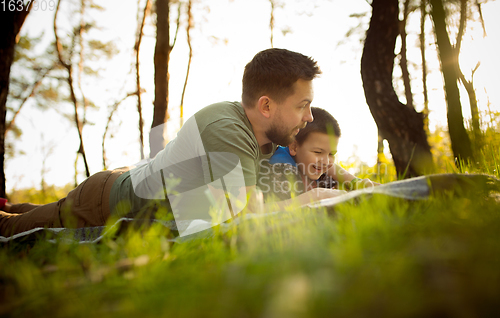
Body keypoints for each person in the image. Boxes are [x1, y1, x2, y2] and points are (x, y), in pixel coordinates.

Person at [0, 48, 346, 237]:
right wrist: (313, 198)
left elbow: (316, 157)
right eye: (302, 105)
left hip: (127, 181)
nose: (309, 117)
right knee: (12, 230)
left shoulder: (266, 135)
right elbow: (249, 217)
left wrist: (352, 182)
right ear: (267, 106)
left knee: (32, 213)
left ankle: (15, 205)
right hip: (103, 203)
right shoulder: (227, 130)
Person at [259, 107, 376, 201]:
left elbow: (336, 180)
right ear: (294, 147)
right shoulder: (280, 168)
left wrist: (355, 182)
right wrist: (318, 195)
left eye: (331, 154)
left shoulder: (315, 167)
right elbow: (278, 210)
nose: (326, 161)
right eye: (318, 152)